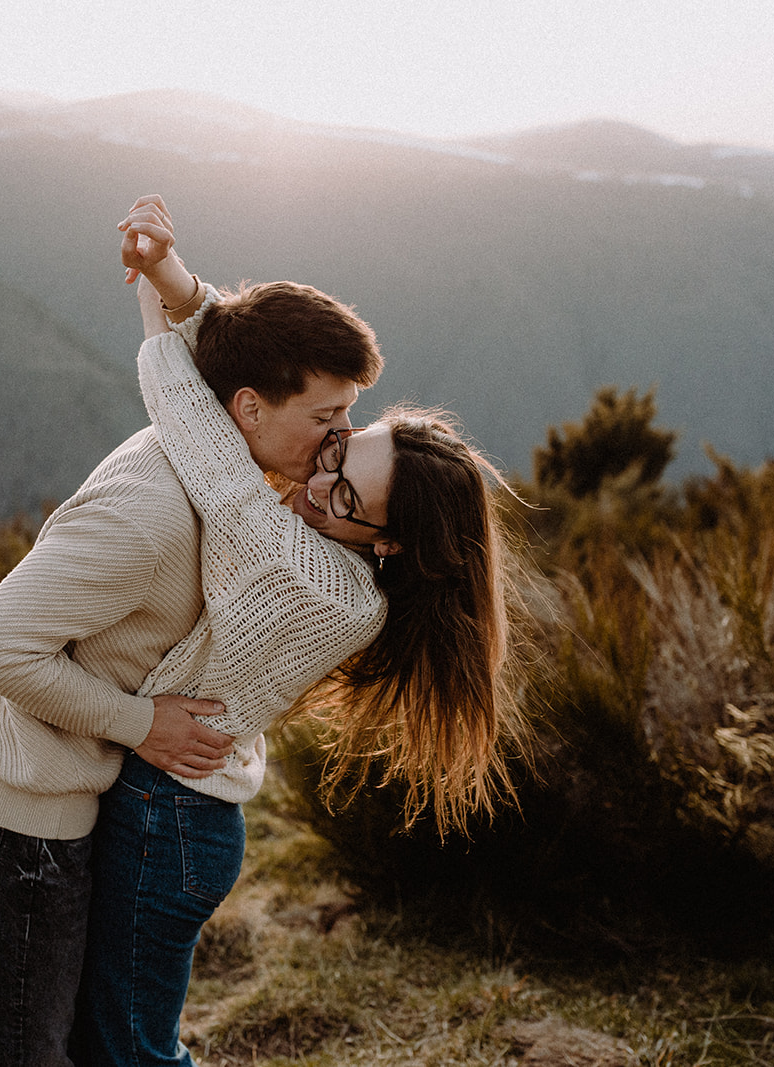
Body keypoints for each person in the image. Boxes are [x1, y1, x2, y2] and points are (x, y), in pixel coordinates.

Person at [0, 203, 384, 1067]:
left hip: (66, 793)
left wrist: (173, 280)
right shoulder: (152, 512)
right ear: (246, 409)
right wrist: (146, 726)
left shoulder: (225, 447)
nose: (343, 435)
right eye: (326, 415)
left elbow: (205, 350)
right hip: (14, 808)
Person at [72, 196, 524, 1067]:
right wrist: (171, 274)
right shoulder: (334, 530)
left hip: (170, 820)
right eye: (338, 447)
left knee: (127, 1050)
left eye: (345, 491)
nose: (318, 477)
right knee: (115, 1035)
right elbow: (258, 389)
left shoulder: (322, 582)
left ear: (387, 541)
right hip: (167, 804)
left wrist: (152, 303)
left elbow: (201, 417)